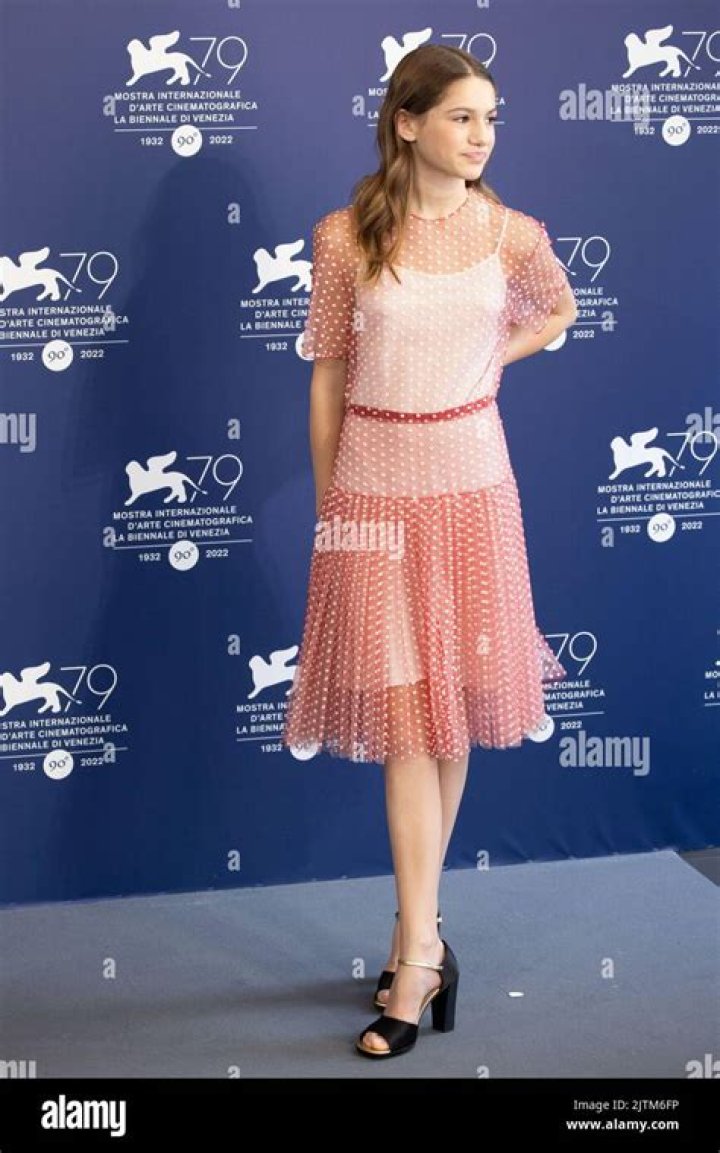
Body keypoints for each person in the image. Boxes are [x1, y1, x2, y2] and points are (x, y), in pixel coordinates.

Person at [282, 44, 577, 1059]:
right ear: (406, 123)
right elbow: (328, 378)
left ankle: (418, 940)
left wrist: (492, 354)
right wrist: (333, 505)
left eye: (491, 117)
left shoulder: (511, 232)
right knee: (409, 721)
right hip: (372, 491)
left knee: (444, 717)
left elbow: (560, 309)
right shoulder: (344, 237)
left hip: (474, 488)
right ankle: (422, 949)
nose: (482, 135)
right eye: (461, 116)